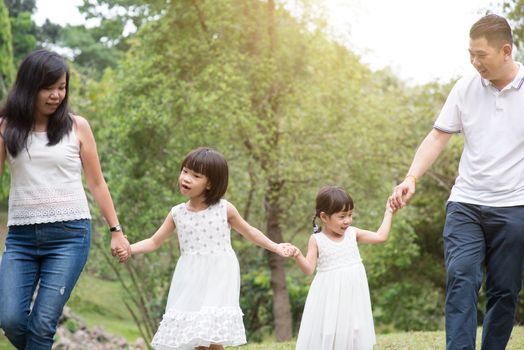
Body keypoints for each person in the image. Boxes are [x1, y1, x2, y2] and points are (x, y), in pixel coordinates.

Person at [389, 14, 524, 350]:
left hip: (514, 207)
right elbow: (437, 137)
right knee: (462, 279)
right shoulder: (465, 87)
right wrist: (411, 177)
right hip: (466, 203)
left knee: (504, 291)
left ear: (506, 51)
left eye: (481, 55)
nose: (474, 62)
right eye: (470, 54)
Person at [0, 49, 130, 350]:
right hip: (21, 238)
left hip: (70, 235)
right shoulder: (6, 128)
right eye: (49, 87)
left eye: (62, 87)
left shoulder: (77, 126)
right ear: (29, 86)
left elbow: (97, 182)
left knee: (43, 325)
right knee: (10, 320)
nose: (57, 95)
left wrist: (116, 231)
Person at [117, 147, 295, 350]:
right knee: (195, 336)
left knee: (210, 333)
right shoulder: (177, 213)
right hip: (189, 277)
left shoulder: (224, 209)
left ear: (210, 183)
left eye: (196, 175)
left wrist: (276, 247)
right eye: (185, 171)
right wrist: (129, 248)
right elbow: (154, 241)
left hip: (219, 274)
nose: (186, 178)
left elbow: (251, 233)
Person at [293, 186, 396, 350]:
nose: (347, 220)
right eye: (342, 217)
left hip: (353, 294)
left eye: (350, 215)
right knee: (331, 332)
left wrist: (389, 212)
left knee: (354, 330)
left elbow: (380, 236)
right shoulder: (317, 240)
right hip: (330, 296)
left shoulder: (352, 233)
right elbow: (308, 270)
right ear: (324, 217)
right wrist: (298, 255)